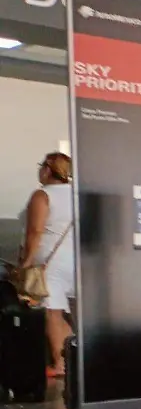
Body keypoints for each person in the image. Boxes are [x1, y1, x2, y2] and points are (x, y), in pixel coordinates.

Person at [18, 152, 75, 378]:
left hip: (49, 264)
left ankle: (59, 364)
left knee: (51, 313)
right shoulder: (76, 194)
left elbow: (35, 232)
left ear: (48, 170)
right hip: (73, 261)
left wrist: (26, 263)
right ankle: (72, 360)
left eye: (42, 166)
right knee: (61, 315)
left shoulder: (42, 195)